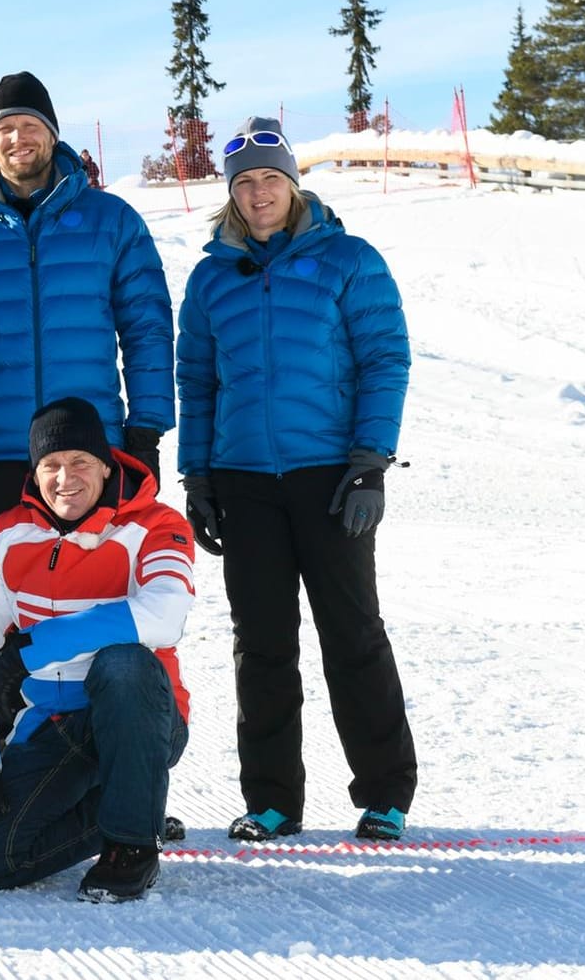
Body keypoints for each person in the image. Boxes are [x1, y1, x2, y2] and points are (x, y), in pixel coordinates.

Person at [176, 116, 417, 843]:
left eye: (270, 180)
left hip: (330, 479)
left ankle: (385, 792)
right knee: (262, 642)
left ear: (292, 184)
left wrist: (370, 461)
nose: (258, 194)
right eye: (245, 183)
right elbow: (197, 379)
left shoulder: (348, 260)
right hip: (245, 480)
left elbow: (386, 358)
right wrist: (198, 477)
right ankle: (273, 799)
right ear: (231, 192)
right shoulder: (213, 276)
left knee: (352, 632)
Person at [0, 72, 172, 553]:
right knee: (1, 613)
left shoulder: (111, 222)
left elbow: (147, 330)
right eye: (3, 129)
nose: (18, 139)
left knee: (95, 611)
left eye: (29, 124)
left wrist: (145, 433)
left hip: (88, 452)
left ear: (52, 133)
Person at [0, 397, 194, 902]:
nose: (65, 478)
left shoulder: (155, 526)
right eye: (50, 466)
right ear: (34, 475)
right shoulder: (6, 535)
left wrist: (32, 648)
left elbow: (165, 613)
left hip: (140, 716)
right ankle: (133, 805)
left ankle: (132, 847)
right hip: (52, 728)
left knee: (123, 663)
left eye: (80, 461)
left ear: (106, 464)